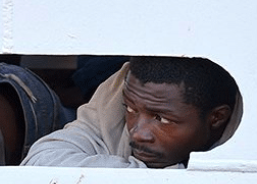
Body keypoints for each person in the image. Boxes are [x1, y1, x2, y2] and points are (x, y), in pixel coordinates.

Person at [21, 56, 242, 168]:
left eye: (160, 118)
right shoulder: (114, 100)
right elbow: (43, 159)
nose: (137, 133)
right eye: (130, 109)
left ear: (217, 118)